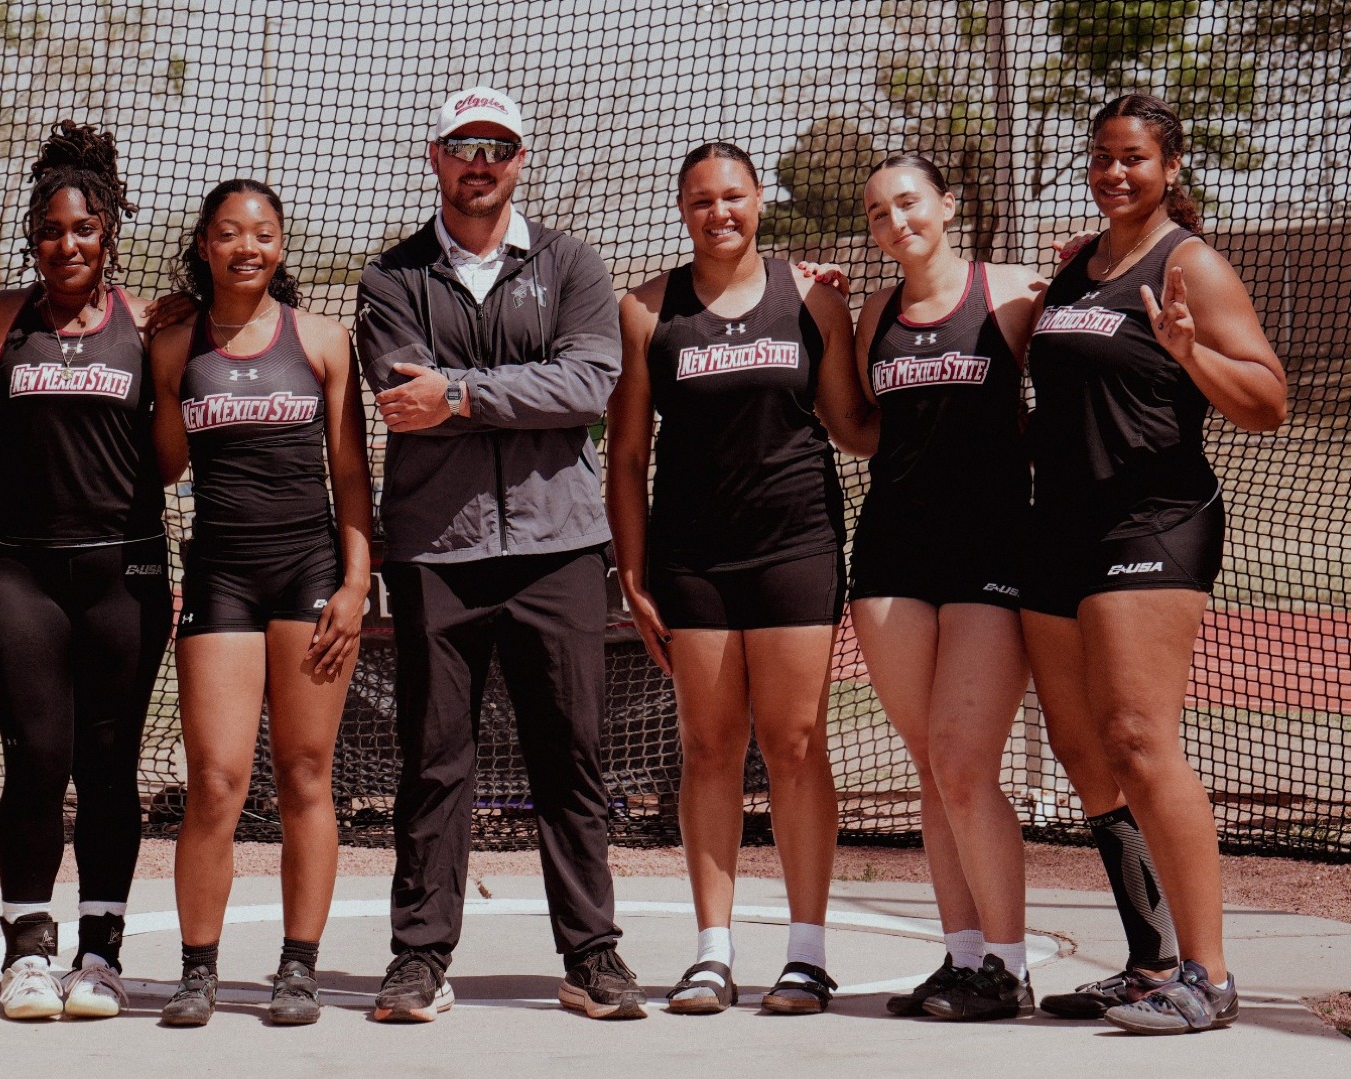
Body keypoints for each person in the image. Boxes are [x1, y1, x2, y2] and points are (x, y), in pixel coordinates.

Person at [358, 86, 647, 1022]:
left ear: (520, 160)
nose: (480, 160)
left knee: (571, 755)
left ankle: (592, 954)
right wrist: (485, 391)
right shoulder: (391, 278)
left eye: (499, 147)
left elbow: (588, 381)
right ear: (434, 155)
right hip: (437, 552)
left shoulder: (572, 264)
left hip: (559, 547)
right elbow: (405, 393)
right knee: (435, 759)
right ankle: (418, 960)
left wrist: (466, 395)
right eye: (464, 145)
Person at [1023, 93, 1285, 1035]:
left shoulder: (1193, 264)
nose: (1114, 172)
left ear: (1170, 167)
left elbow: (1268, 399)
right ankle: (1150, 959)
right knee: (1081, 746)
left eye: (1133, 157)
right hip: (1058, 528)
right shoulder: (1076, 269)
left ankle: (1208, 975)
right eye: (1101, 156)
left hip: (1152, 522)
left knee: (1138, 734)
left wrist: (1189, 353)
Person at [606, 141, 865, 1016]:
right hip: (694, 561)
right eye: (701, 201)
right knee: (710, 748)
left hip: (797, 547)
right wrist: (632, 571)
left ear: (760, 201)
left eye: (734, 197)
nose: (719, 212)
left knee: (793, 745)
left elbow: (853, 424)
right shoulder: (646, 311)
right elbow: (630, 452)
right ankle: (712, 952)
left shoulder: (814, 298)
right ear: (683, 210)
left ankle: (805, 954)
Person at [147, 178, 372, 1026]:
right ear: (204, 245)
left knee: (306, 776)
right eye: (230, 233)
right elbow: (165, 467)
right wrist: (147, 340)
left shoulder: (322, 340)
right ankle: (197, 970)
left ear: (281, 246)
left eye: (264, 232)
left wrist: (355, 584)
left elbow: (351, 476)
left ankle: (298, 968)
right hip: (221, 578)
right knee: (214, 780)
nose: (248, 246)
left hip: (308, 572)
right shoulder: (175, 350)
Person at [0, 123, 171, 1021]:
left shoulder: (152, 325)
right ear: (32, 235)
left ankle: (101, 954)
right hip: (22, 575)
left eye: (84, 229)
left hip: (124, 575)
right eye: (51, 230)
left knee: (108, 763)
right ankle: (27, 951)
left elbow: (170, 458)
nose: (67, 244)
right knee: (35, 759)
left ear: (109, 234)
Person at [842, 155, 1045, 1021]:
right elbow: (858, 427)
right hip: (891, 555)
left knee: (965, 762)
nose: (897, 223)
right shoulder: (874, 313)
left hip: (991, 552)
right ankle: (964, 960)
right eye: (880, 214)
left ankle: (1010, 964)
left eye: (910, 203)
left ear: (949, 205)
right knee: (933, 765)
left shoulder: (1015, 293)